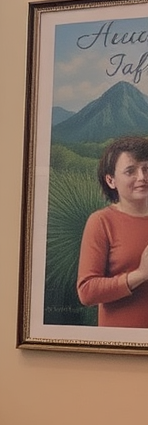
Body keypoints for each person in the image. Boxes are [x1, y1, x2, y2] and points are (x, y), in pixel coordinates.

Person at [76, 134, 148, 327]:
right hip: (119, 349)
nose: (142, 177)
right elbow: (87, 291)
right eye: (130, 171)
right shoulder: (101, 222)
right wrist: (140, 274)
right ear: (111, 180)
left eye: (146, 169)